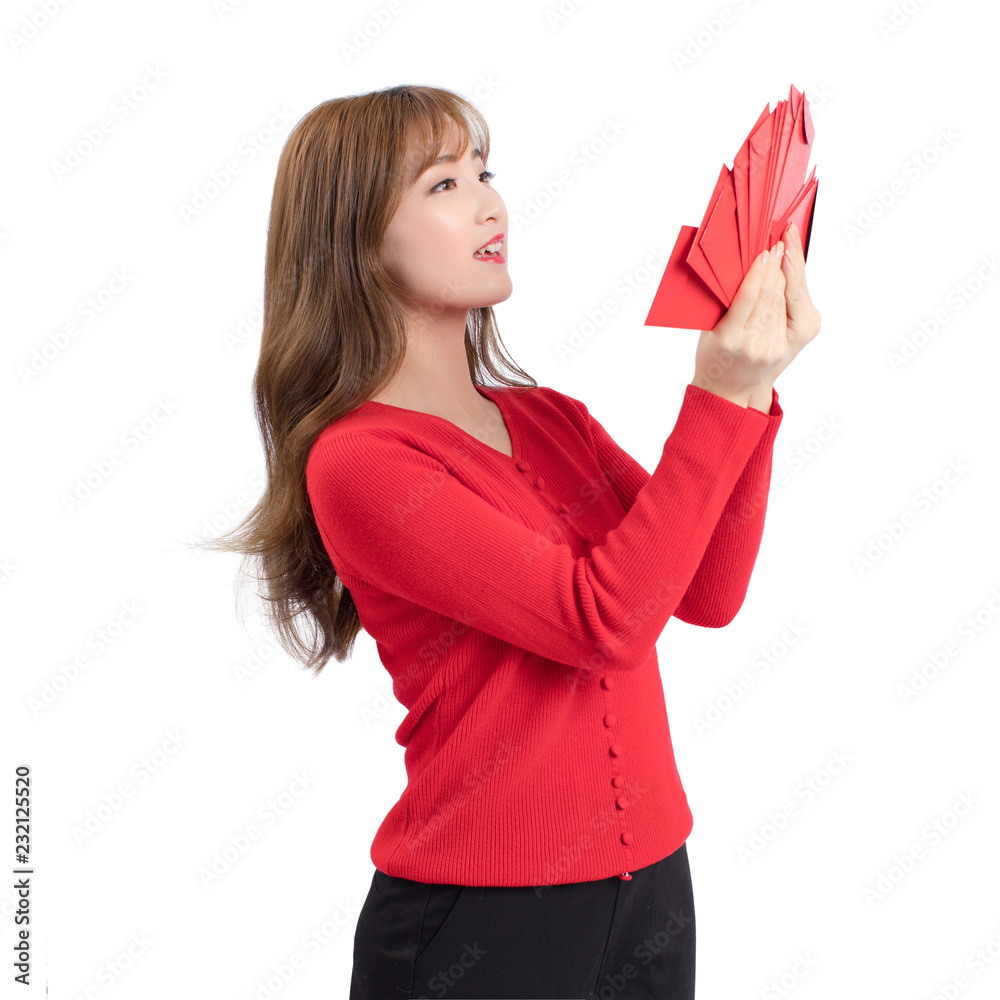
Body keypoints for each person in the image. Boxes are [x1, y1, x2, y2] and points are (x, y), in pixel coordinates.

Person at [202, 85, 821, 999]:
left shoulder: (549, 419)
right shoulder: (362, 464)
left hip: (654, 889)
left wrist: (754, 391)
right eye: (443, 184)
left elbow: (705, 592)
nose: (490, 201)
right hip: (486, 921)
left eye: (484, 171)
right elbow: (600, 621)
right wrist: (719, 398)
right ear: (357, 240)